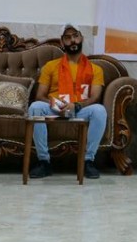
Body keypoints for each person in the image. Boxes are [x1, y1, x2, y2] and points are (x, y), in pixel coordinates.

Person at [28, 25, 106, 179]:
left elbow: (95, 97)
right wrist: (59, 106)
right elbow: (40, 95)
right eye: (68, 37)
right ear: (62, 42)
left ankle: (87, 161)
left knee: (99, 110)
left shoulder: (95, 69)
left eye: (75, 36)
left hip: (80, 109)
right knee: (35, 107)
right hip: (55, 108)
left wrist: (76, 105)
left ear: (81, 38)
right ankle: (44, 162)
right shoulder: (51, 66)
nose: (72, 40)